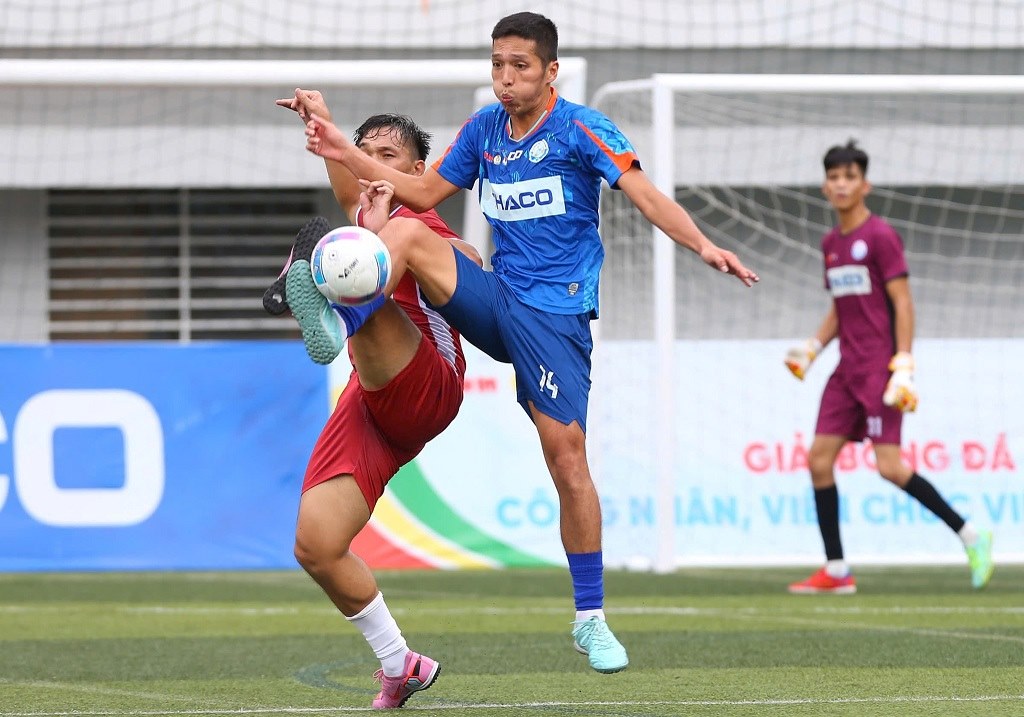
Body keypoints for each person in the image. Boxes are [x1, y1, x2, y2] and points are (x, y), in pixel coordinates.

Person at [283, 11, 759, 674]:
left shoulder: (581, 127)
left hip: (554, 319)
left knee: (566, 460)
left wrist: (702, 243)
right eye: (498, 65)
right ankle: (344, 309)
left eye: (521, 67)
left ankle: (590, 618)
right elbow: (419, 191)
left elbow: (645, 194)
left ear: (550, 70)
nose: (506, 79)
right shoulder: (484, 131)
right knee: (416, 234)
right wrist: (340, 144)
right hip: (495, 296)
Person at [264, 112, 483, 708]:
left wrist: (450, 256)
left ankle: (334, 306)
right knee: (317, 545)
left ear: (417, 172)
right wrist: (325, 128)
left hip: (427, 381)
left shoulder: (420, 221)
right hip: (371, 398)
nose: (372, 164)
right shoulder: (366, 218)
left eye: (388, 155)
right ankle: (399, 661)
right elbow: (347, 187)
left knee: (351, 254)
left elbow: (470, 266)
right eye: (365, 153)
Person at [784, 140, 994, 594]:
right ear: (825, 186)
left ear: (865, 184)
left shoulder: (879, 236)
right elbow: (842, 306)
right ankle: (837, 571)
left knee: (890, 467)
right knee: (819, 460)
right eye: (834, 177)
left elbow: (902, 302)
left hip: (880, 369)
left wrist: (904, 363)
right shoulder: (831, 243)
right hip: (845, 370)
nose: (841, 184)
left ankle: (971, 535)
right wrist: (813, 347)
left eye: (850, 177)